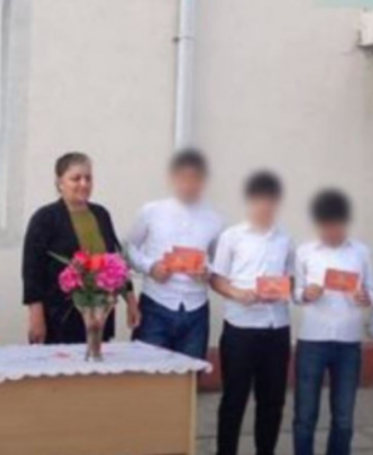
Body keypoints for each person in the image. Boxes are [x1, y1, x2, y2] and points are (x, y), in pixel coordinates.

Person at [210, 171, 293, 455]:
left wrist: (283, 289)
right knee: (234, 399)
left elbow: (291, 278)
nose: (265, 206)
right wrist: (237, 293)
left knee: (272, 401)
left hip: (276, 328)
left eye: (271, 201)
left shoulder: (285, 239)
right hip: (240, 329)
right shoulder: (232, 237)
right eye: (260, 200)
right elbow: (216, 279)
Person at [22, 152, 140, 345]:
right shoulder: (45, 218)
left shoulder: (101, 214)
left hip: (101, 314)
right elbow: (32, 271)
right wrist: (35, 315)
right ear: (60, 182)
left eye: (88, 178)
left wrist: (131, 300)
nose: (83, 184)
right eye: (76, 178)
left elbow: (117, 261)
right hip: (60, 318)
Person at [292, 189, 372, 455]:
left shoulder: (361, 252)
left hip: (349, 343)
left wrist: (366, 296)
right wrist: (306, 294)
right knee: (305, 416)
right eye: (326, 226)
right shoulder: (305, 252)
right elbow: (294, 291)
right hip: (312, 341)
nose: (332, 232)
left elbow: (371, 288)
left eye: (337, 225)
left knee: (344, 418)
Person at [127, 148, 223, 359]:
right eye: (183, 177)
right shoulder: (151, 211)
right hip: (156, 304)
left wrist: (207, 271)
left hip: (196, 309)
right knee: (148, 371)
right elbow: (128, 248)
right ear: (173, 178)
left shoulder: (215, 219)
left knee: (190, 374)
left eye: (195, 178)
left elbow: (220, 261)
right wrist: (150, 267)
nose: (189, 184)